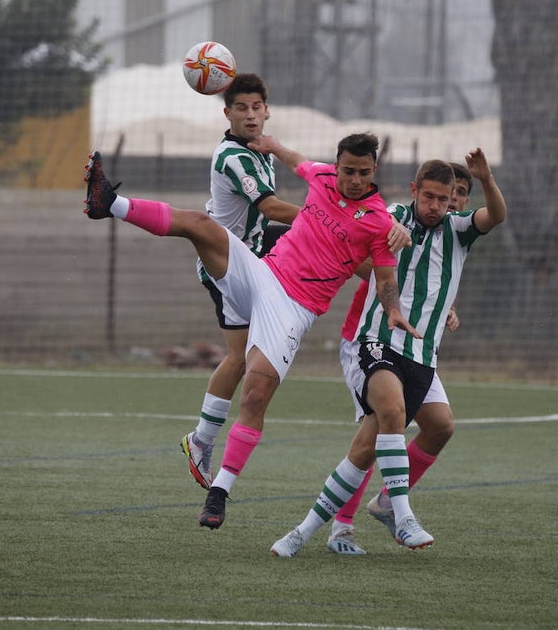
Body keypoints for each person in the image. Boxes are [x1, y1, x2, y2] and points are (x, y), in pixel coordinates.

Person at [84, 132, 420, 529]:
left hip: (294, 309)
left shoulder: (379, 222)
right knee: (200, 224)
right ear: (336, 165)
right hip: (262, 273)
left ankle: (218, 492)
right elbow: (297, 160)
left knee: (256, 394)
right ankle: (110, 203)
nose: (355, 180)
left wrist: (393, 309)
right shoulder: (322, 176)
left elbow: (384, 278)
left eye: (364, 173)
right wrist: (273, 146)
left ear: (375, 170)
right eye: (348, 171)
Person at [271, 149, 505, 557]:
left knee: (397, 437)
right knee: (390, 415)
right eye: (429, 197)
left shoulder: (458, 230)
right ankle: (397, 516)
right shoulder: (393, 215)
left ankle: (303, 532)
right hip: (375, 339)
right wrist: (390, 230)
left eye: (446, 198)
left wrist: (487, 180)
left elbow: (496, 217)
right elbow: (375, 223)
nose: (437, 205)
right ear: (415, 191)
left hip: (421, 352)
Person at [179, 73, 301, 491]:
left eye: (256, 107)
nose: (250, 115)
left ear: (267, 111)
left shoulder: (261, 150)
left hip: (253, 253)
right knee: (239, 357)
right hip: (227, 266)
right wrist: (326, 219)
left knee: (326, 247)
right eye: (241, 108)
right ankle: (201, 439)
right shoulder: (234, 157)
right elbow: (271, 207)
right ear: (227, 113)